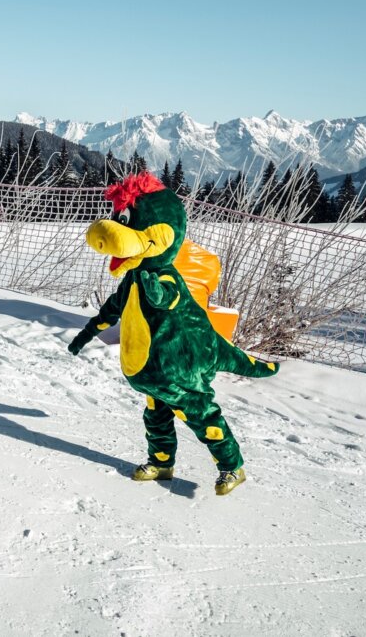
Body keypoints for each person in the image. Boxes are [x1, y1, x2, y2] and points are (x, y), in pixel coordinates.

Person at [67, 172, 278, 496]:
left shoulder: (164, 277)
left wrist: (154, 289)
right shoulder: (136, 275)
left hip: (181, 366)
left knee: (202, 417)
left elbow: (169, 298)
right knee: (156, 415)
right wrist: (85, 335)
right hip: (154, 371)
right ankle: (161, 462)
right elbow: (112, 309)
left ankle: (232, 467)